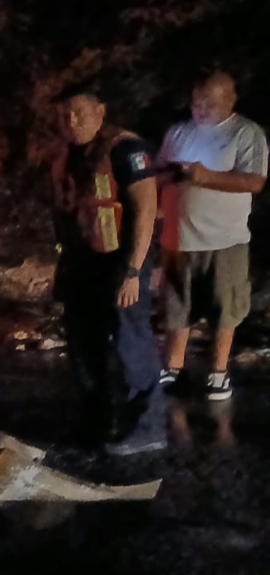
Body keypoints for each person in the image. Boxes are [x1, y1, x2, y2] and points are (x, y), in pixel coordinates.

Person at [50, 83, 165, 455]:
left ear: (100, 111)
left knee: (131, 343)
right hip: (81, 261)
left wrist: (133, 272)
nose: (71, 121)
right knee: (84, 345)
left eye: (79, 113)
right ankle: (98, 421)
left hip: (119, 261)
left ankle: (147, 427)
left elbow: (145, 210)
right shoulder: (66, 154)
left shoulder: (125, 149)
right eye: (64, 115)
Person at [157, 71, 268, 401]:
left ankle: (218, 373)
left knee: (225, 307)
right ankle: (172, 368)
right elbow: (159, 172)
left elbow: (254, 182)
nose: (200, 108)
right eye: (196, 101)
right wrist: (169, 177)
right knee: (177, 306)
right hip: (179, 239)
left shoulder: (246, 133)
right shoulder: (178, 133)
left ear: (231, 100)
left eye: (209, 102)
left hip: (225, 240)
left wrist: (206, 177)